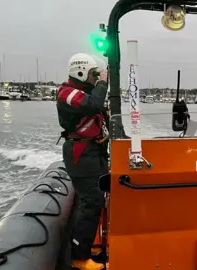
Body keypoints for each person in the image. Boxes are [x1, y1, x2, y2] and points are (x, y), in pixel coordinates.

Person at [56, 53, 109, 270]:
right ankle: (79, 257)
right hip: (81, 154)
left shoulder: (83, 92)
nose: (95, 78)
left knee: (99, 198)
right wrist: (104, 82)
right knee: (91, 201)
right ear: (80, 72)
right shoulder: (66, 93)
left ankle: (95, 246)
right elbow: (93, 104)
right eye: (93, 74)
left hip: (94, 152)